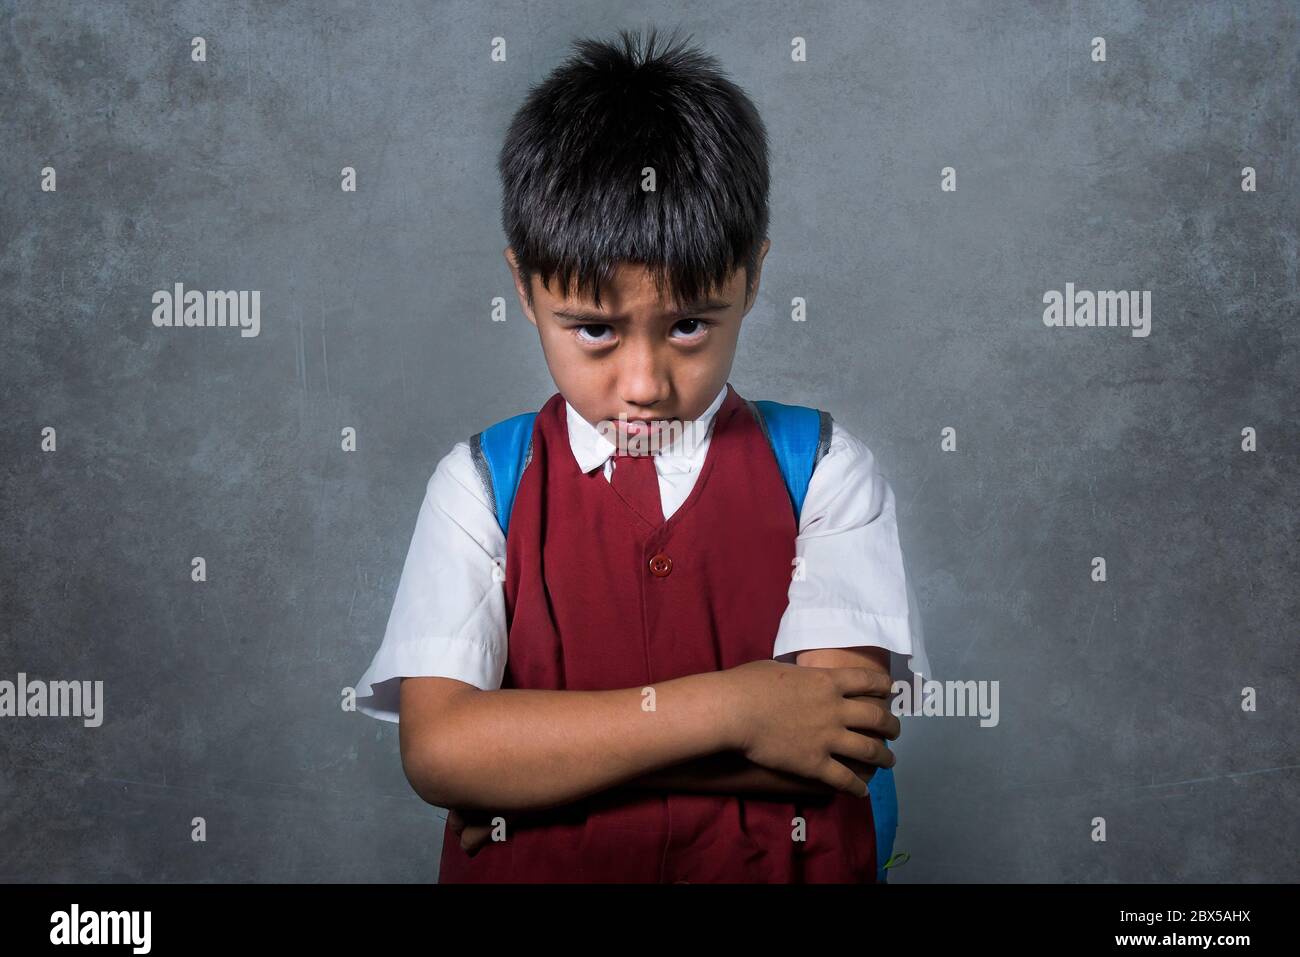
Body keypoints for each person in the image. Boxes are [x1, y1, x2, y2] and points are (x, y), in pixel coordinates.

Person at [354, 26, 929, 883]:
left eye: (690, 324)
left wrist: (527, 766)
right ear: (524, 287)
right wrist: (740, 708)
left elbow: (835, 741)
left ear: (753, 276)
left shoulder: (826, 471)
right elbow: (440, 752)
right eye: (594, 330)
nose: (645, 382)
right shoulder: (479, 486)